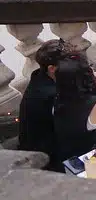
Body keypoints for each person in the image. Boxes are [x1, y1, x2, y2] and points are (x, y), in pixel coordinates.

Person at [18, 39, 72, 171]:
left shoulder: (38, 76)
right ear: (52, 69)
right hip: (47, 158)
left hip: (44, 142)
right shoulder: (49, 94)